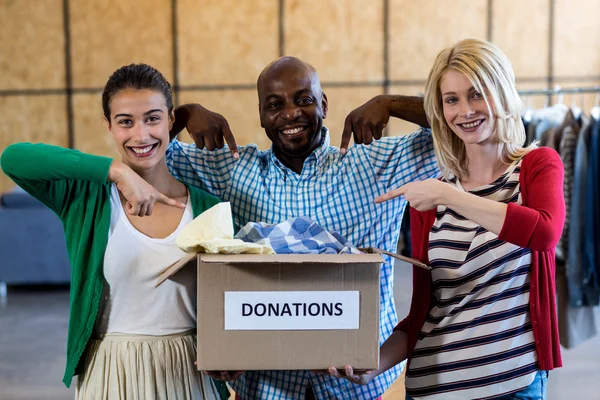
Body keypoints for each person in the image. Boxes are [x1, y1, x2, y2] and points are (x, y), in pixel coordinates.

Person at [165, 56, 438, 399]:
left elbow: (457, 126)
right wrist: (184, 115)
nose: (291, 113)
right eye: (275, 104)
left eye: (304, 100)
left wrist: (391, 104)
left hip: (356, 384)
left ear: (324, 104)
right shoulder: (232, 169)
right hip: (265, 385)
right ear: (261, 115)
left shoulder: (373, 163)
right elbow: (151, 151)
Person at [328, 39, 565, 400]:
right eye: (451, 99)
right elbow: (427, 309)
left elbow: (543, 232)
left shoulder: (535, 167)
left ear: (501, 93)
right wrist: (372, 364)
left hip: (512, 386)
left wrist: (449, 196)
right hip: (431, 388)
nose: (465, 111)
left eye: (476, 94)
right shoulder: (433, 196)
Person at [1, 64, 229, 400]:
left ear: (170, 121)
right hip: (109, 370)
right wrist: (115, 171)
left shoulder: (209, 207)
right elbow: (13, 158)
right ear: (110, 127)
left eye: (152, 118)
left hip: (188, 371)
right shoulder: (84, 197)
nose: (141, 135)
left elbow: (227, 298)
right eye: (126, 122)